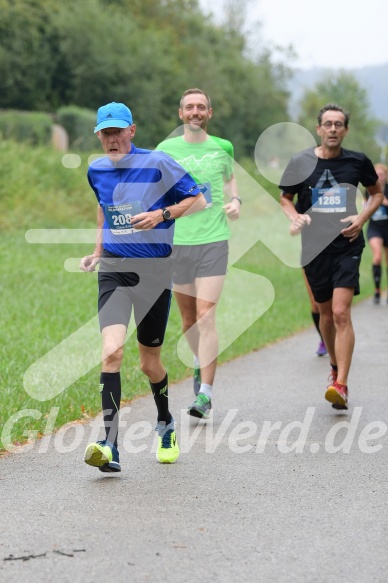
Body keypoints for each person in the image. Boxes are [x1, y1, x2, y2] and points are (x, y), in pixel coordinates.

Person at [80, 101, 206, 472]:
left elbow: (198, 199)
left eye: (118, 131)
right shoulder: (96, 169)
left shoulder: (158, 163)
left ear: (132, 130)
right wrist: (97, 249)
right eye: (106, 133)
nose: (112, 139)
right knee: (111, 352)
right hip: (115, 271)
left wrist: (162, 214)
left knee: (149, 363)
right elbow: (104, 208)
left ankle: (165, 425)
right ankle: (110, 444)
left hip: (153, 274)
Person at [280, 103, 383, 410]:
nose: (334, 129)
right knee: (325, 314)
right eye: (329, 124)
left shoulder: (357, 161)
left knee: (341, 312)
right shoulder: (300, 162)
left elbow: (375, 193)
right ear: (319, 129)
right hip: (314, 248)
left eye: (339, 124)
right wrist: (293, 217)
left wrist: (361, 219)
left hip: (347, 245)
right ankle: (335, 367)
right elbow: (285, 198)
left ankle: (342, 384)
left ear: (345, 130)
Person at [156, 88, 241, 419]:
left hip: (213, 239)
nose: (195, 111)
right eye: (189, 107)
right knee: (189, 320)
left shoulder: (223, 147)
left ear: (209, 112)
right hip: (178, 242)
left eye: (201, 107)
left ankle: (205, 395)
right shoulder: (165, 150)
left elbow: (233, 184)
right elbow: (156, 191)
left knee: (206, 315)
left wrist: (236, 202)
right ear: (181, 113)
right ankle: (198, 361)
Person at [290, 213, 327, 356]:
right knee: (315, 303)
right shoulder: (304, 198)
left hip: (335, 255)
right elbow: (292, 230)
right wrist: (300, 223)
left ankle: (336, 335)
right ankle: (324, 339)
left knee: (334, 305)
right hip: (309, 257)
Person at [362, 163, 388, 304]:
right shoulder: (369, 190)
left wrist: (381, 200)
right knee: (377, 257)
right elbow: (365, 208)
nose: (379, 176)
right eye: (377, 174)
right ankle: (377, 290)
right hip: (375, 228)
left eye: (382, 174)